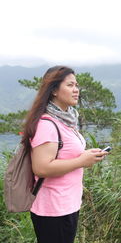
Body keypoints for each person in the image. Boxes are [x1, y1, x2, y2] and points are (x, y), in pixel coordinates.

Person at [21, 66, 108, 243]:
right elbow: (41, 167)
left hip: (67, 204)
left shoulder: (65, 120)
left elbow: (64, 154)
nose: (76, 90)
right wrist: (81, 161)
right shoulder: (48, 125)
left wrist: (85, 155)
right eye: (70, 85)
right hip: (53, 209)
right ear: (53, 90)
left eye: (76, 85)